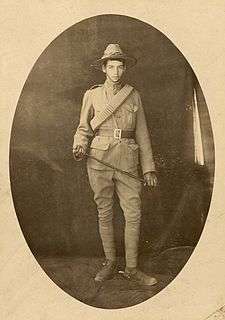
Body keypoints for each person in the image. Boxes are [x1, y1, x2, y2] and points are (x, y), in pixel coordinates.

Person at [73, 44, 158, 286]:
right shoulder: (92, 95)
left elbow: (142, 132)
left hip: (128, 161)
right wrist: (79, 145)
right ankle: (110, 262)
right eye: (112, 67)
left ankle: (131, 268)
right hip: (98, 159)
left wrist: (149, 167)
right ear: (104, 68)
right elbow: (83, 128)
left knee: (133, 212)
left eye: (120, 67)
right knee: (105, 211)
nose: (117, 72)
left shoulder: (133, 95)